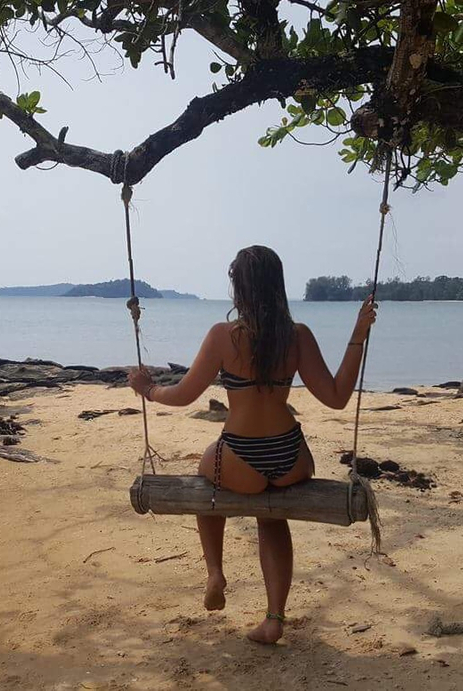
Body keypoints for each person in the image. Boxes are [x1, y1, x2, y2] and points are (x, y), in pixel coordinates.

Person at [127, 245, 377, 644]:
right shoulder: (297, 336)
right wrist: (357, 335)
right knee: (271, 517)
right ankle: (274, 618)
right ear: (277, 286)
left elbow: (185, 394)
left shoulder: (223, 336)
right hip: (291, 457)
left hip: (240, 458)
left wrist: (149, 389)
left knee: (204, 487)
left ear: (238, 288)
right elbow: (336, 396)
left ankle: (215, 572)